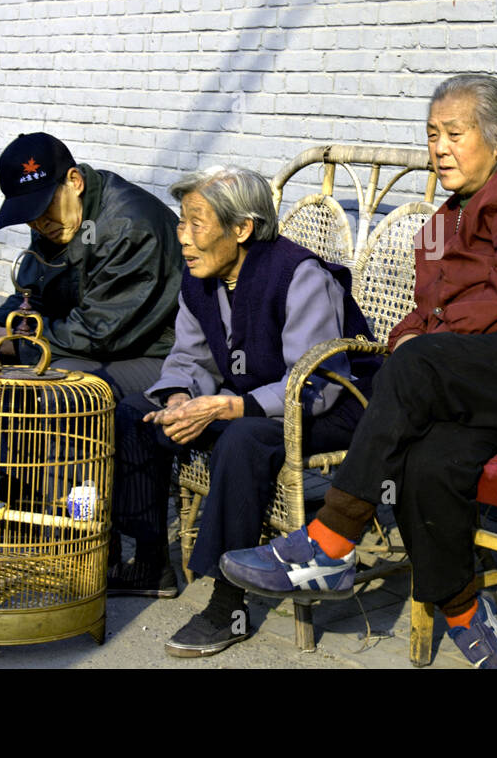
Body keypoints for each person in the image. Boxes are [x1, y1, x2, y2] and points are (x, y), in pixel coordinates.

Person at [220, 74, 497, 668]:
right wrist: (409, 337)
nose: (439, 147)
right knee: (429, 458)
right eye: (431, 135)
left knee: (418, 361)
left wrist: (423, 343)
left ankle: (332, 540)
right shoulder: (442, 226)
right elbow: (429, 313)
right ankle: (470, 612)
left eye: (454, 133)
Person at [111, 165, 378, 653]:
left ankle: (227, 607)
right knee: (137, 412)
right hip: (254, 401)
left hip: (333, 408)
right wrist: (179, 399)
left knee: (242, 439)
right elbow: (188, 357)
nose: (183, 238)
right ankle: (151, 559)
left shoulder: (298, 275)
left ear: (241, 229)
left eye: (196, 223)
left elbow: (316, 383)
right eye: (181, 222)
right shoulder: (200, 279)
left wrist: (228, 408)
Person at [0, 132, 184, 403]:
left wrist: (11, 342)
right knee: (0, 379)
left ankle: (76, 448)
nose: (40, 224)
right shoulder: (58, 222)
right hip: (96, 346)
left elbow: (100, 332)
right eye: (30, 216)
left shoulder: (131, 228)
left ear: (75, 182)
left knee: (64, 386)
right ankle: (7, 448)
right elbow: (32, 296)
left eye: (45, 209)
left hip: (163, 359)